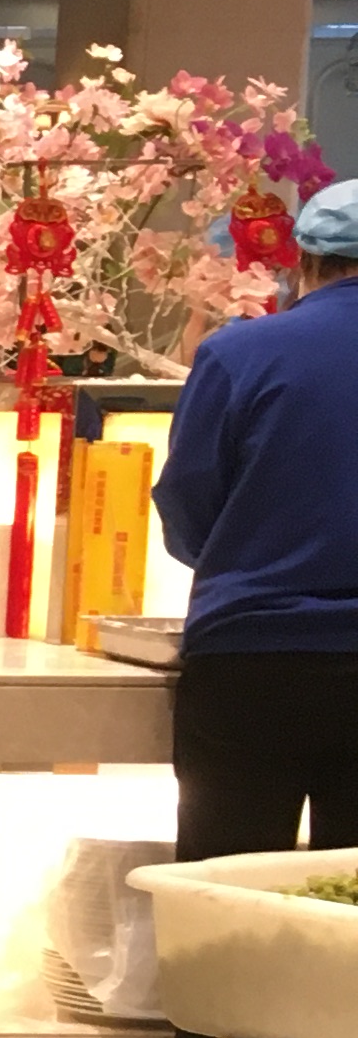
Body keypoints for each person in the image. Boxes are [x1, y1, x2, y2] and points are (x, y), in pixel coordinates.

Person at [158, 176, 358, 863]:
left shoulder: (239, 352)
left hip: (252, 660)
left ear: (303, 261)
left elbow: (189, 502)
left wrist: (246, 553)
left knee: (224, 892)